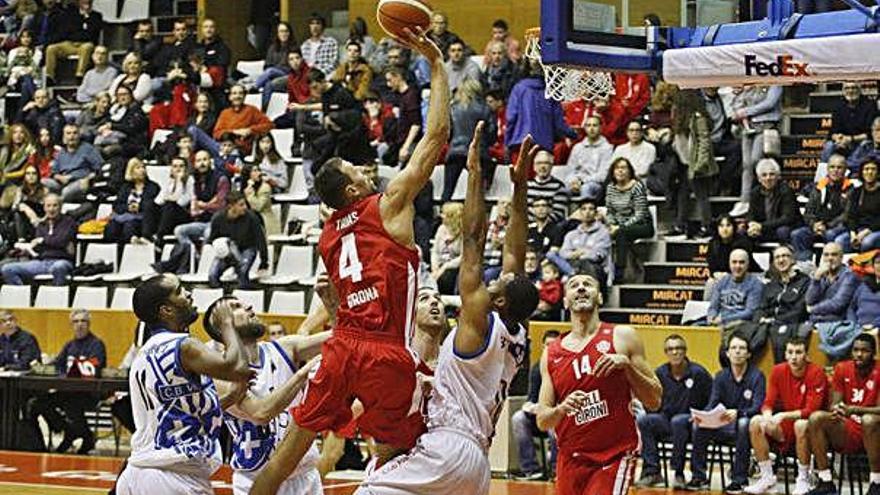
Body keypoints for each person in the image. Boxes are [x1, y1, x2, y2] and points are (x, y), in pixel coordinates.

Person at [249, 28, 450, 494]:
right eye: (358, 171)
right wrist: (436, 67)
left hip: (342, 344)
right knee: (401, 451)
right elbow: (437, 136)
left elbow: (339, 301)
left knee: (290, 453)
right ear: (354, 190)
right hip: (383, 348)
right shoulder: (388, 204)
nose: (365, 170)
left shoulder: (327, 235)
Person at [355, 123, 540, 495]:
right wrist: (519, 189)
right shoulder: (516, 333)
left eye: (497, 283)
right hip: (478, 466)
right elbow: (516, 260)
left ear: (499, 300)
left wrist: (474, 176)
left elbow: (472, 239)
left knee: (369, 490)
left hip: (448, 446)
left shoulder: (478, 321)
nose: (492, 279)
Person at [115, 274, 253, 494]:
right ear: (166, 310)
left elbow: (180, 410)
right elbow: (235, 368)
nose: (188, 294)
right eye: (179, 291)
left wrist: (230, 399)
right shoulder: (183, 346)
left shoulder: (145, 353)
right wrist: (227, 324)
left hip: (140, 471)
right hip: (171, 475)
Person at [535, 273, 662, 495]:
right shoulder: (551, 353)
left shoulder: (622, 336)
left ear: (600, 298)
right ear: (565, 301)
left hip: (614, 456)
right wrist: (562, 408)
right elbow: (543, 421)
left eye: (588, 285)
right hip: (570, 459)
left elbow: (654, 400)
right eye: (574, 285)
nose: (582, 288)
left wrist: (627, 367)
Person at [202, 295, 329, 495]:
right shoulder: (221, 375)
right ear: (223, 326)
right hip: (257, 480)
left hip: (305, 476)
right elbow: (261, 412)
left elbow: (341, 338)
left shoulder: (285, 347)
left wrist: (332, 303)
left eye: (244, 302)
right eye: (236, 307)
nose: (249, 306)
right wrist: (302, 375)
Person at [744, 337, 828, 495]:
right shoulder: (778, 370)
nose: (794, 357)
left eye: (798, 352)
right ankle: (767, 477)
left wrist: (783, 415)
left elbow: (811, 410)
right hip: (785, 428)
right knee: (756, 421)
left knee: (800, 424)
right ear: (785, 354)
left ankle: (803, 479)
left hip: (811, 429)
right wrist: (768, 416)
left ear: (806, 355)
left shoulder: (816, 372)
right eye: (790, 352)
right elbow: (767, 403)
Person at [688, 333, 767, 493]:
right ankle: (699, 477)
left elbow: (757, 407)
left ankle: (739, 479)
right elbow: (712, 403)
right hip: (722, 424)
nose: (737, 352)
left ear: (748, 354)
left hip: (747, 426)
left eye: (742, 348)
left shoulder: (757, 376)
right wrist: (702, 415)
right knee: (699, 426)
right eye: (734, 348)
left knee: (744, 424)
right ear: (727, 353)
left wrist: (738, 413)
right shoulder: (720, 376)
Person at [805, 333, 880, 495]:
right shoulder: (842, 368)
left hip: (875, 430)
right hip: (850, 428)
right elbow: (835, 403)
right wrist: (837, 409)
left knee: (869, 420)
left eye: (865, 351)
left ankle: (876, 482)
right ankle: (825, 481)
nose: (859, 354)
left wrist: (854, 409)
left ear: (874, 353)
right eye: (855, 350)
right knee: (816, 418)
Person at [635, 335, 713, 489]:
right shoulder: (660, 373)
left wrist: (702, 415)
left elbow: (712, 400)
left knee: (679, 421)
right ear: (666, 353)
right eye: (671, 349)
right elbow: (651, 399)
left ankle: (679, 473)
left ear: (685, 351)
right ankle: (652, 471)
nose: (675, 352)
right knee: (645, 421)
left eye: (678, 348)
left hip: (692, 423)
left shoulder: (699, 373)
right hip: (667, 420)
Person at [47, 309, 106, 454]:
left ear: (89, 324)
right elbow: (57, 365)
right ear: (72, 325)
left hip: (88, 393)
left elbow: (95, 367)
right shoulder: (69, 345)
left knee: (71, 403)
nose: (79, 325)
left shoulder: (96, 344)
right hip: (67, 391)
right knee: (38, 403)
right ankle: (71, 431)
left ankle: (82, 437)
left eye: (83, 321)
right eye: (76, 321)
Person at [514, 329, 561, 480]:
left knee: (554, 425)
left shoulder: (565, 366)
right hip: (540, 416)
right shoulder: (537, 369)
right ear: (542, 347)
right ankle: (531, 470)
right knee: (518, 419)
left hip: (561, 416)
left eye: (553, 345)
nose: (550, 349)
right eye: (547, 345)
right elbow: (531, 400)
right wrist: (533, 408)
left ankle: (556, 470)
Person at [729, 85, 783, 217]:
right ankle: (744, 199)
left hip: (766, 126)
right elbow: (737, 103)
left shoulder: (775, 83)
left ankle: (758, 195)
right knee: (746, 165)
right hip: (747, 128)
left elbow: (769, 104)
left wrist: (746, 111)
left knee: (755, 161)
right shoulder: (749, 84)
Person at [1, 193, 75, 285]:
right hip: (42, 262)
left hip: (62, 260)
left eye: (55, 206)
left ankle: (57, 297)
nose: (51, 209)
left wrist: (43, 240)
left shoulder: (68, 222)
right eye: (48, 206)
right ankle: (24, 296)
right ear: (44, 208)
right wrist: (31, 248)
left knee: (58, 267)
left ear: (60, 207)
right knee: (7, 269)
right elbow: (40, 247)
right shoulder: (42, 225)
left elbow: (61, 241)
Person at [755, 245, 811, 363]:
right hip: (769, 324)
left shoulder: (804, 282)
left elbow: (800, 310)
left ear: (793, 260)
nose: (781, 260)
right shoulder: (771, 284)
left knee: (781, 338)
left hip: (790, 324)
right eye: (777, 257)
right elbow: (761, 307)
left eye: (785, 256)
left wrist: (774, 320)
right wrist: (760, 318)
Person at [791, 154, 852, 261]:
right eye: (832, 167)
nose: (835, 170)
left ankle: (830, 265)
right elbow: (808, 212)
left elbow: (847, 214)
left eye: (839, 167)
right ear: (827, 169)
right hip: (817, 227)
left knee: (830, 234)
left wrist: (826, 226)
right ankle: (805, 265)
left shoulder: (851, 189)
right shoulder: (818, 187)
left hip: (838, 227)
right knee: (797, 234)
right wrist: (814, 224)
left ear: (845, 170)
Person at [443, 78, 494, 202]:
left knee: (448, 190)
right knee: (478, 191)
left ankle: (442, 215)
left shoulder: (452, 108)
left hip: (456, 150)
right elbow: (492, 133)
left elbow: (447, 132)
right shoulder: (484, 108)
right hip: (478, 151)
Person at [206, 189, 269, 289]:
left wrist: (264, 262)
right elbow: (211, 240)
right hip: (227, 252)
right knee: (212, 275)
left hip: (247, 248)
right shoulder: (218, 219)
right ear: (231, 206)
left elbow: (260, 240)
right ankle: (221, 296)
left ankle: (243, 297)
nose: (245, 207)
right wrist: (221, 247)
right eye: (241, 205)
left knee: (242, 272)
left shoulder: (252, 218)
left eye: (244, 204)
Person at [605, 157, 654, 281]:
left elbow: (640, 214)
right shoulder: (610, 187)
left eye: (623, 168)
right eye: (617, 168)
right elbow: (610, 211)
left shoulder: (637, 186)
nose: (620, 171)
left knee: (621, 233)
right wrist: (611, 224)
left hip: (642, 225)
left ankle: (619, 272)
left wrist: (620, 227)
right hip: (619, 225)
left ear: (629, 171)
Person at [553, 200, 611, 286]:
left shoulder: (603, 233)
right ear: (579, 212)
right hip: (573, 267)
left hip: (595, 269)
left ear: (595, 213)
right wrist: (582, 252)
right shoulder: (571, 234)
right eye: (584, 209)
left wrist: (576, 254)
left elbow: (597, 255)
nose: (587, 212)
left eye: (591, 209)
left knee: (585, 264)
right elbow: (563, 253)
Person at [745, 158, 802, 243]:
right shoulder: (755, 192)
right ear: (759, 179)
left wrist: (761, 226)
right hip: (765, 229)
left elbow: (787, 218)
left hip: (783, 227)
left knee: (782, 231)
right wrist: (751, 224)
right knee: (744, 233)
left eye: (772, 174)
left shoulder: (786, 191)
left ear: (778, 176)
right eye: (764, 175)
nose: (768, 178)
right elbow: (751, 214)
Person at [44, 0, 103, 83]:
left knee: (87, 47)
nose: (86, 2)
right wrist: (81, 33)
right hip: (69, 43)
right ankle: (49, 76)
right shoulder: (71, 14)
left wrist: (87, 17)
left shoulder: (96, 16)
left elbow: (92, 34)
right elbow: (67, 32)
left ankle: (80, 75)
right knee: (51, 48)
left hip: (85, 44)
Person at [103, 157, 159, 244]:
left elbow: (152, 205)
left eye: (143, 167)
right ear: (131, 171)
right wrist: (128, 207)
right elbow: (117, 205)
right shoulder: (125, 187)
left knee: (129, 226)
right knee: (111, 228)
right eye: (138, 168)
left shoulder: (153, 187)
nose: (142, 170)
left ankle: (133, 243)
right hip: (125, 215)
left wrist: (138, 207)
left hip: (142, 219)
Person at [41, 124, 103, 201]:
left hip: (80, 181)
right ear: (64, 136)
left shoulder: (88, 149)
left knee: (66, 191)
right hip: (62, 182)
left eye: (74, 133)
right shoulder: (61, 152)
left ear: (79, 135)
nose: (71, 136)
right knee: (43, 181)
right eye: (68, 133)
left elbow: (99, 169)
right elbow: (54, 172)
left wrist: (88, 178)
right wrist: (59, 177)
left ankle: (56, 203)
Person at [707, 249, 765, 328]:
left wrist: (724, 319)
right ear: (729, 264)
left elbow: (750, 312)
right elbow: (713, 307)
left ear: (748, 265)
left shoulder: (755, 284)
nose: (737, 266)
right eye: (734, 262)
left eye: (741, 262)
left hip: (741, 324)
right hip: (719, 322)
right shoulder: (722, 281)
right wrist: (711, 317)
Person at [821, 82, 876, 162]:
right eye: (847, 88)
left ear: (859, 90)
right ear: (843, 91)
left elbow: (870, 134)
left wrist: (850, 139)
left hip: (861, 142)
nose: (850, 91)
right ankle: (824, 172)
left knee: (865, 144)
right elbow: (833, 132)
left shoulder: (870, 105)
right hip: (843, 142)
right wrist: (838, 138)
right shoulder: (838, 106)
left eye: (853, 88)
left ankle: (849, 168)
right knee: (829, 146)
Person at [566, 115, 613, 201]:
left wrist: (582, 181)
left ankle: (586, 214)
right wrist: (573, 181)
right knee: (563, 189)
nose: (591, 128)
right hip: (577, 182)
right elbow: (570, 170)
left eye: (594, 125)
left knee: (586, 188)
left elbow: (603, 175)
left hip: (596, 184)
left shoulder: (607, 148)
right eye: (588, 125)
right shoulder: (578, 147)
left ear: (600, 128)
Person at [839, 158, 880, 253]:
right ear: (862, 172)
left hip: (875, 230)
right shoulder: (857, 192)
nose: (869, 172)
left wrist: (866, 232)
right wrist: (853, 233)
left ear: (878, 173)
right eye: (866, 169)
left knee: (867, 242)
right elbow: (851, 215)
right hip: (859, 229)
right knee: (840, 241)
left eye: (873, 169)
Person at [528, 150, 569, 224]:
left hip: (549, 228)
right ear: (534, 167)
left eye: (546, 163)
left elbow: (558, 214)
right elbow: (522, 210)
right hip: (527, 226)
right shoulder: (527, 185)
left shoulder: (559, 186)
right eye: (539, 163)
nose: (542, 166)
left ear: (551, 166)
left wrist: (540, 225)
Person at [431, 202, 463, 295]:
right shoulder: (441, 229)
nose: (441, 216)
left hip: (454, 267)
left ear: (453, 217)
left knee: (446, 278)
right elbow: (435, 251)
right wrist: (435, 268)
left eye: (444, 214)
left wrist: (445, 267)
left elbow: (463, 257)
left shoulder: (464, 233)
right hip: (440, 265)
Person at [240, 164, 280, 236]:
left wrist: (249, 194)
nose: (259, 173)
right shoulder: (245, 188)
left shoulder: (265, 187)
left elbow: (258, 207)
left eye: (259, 170)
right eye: (255, 171)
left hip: (265, 221)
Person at [850, 251, 880, 329]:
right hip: (857, 327)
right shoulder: (863, 284)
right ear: (873, 266)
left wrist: (874, 324)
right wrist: (853, 323)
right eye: (877, 263)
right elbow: (851, 308)